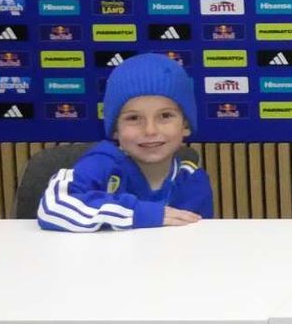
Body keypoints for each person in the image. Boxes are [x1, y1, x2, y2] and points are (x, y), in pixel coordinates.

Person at [37, 52, 215, 231]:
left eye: (165, 116)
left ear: (186, 125)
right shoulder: (102, 162)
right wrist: (139, 214)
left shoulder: (192, 180)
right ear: (115, 129)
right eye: (133, 118)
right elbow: (53, 206)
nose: (150, 130)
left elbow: (195, 241)